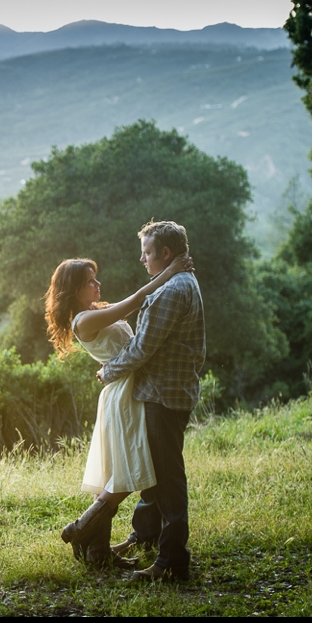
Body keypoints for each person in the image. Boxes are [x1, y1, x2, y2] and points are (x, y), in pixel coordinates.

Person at [43, 250, 193, 569]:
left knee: (124, 469)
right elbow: (137, 300)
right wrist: (171, 270)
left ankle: (97, 552)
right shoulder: (84, 320)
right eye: (90, 281)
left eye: (95, 278)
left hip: (129, 387)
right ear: (73, 290)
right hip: (124, 393)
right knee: (127, 471)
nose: (98, 284)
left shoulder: (96, 309)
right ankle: (82, 528)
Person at [98, 220, 206, 582]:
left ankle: (172, 561)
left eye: (147, 251)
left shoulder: (174, 290)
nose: (141, 258)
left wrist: (107, 371)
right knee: (154, 471)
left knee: (168, 477)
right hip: (164, 391)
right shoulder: (176, 283)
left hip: (165, 394)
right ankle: (145, 535)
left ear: (166, 253)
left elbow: (143, 347)